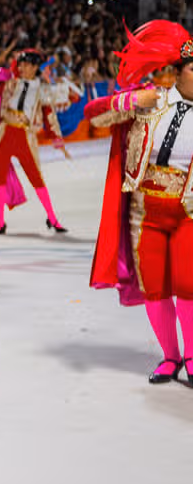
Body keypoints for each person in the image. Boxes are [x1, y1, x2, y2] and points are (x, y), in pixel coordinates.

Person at [84, 21, 193, 384]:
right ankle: (170, 357)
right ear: (177, 71)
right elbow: (94, 115)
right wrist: (129, 99)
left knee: (187, 284)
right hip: (145, 211)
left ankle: (191, 357)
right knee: (154, 287)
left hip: (188, 211)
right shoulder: (150, 100)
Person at [0, 48, 67, 235]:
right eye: (20, 64)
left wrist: (56, 138)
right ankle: (0, 221)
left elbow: (48, 114)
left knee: (36, 177)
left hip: (25, 135)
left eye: (26, 64)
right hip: (5, 132)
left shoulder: (42, 89)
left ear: (35, 67)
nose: (22, 67)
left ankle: (52, 217)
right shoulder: (9, 82)